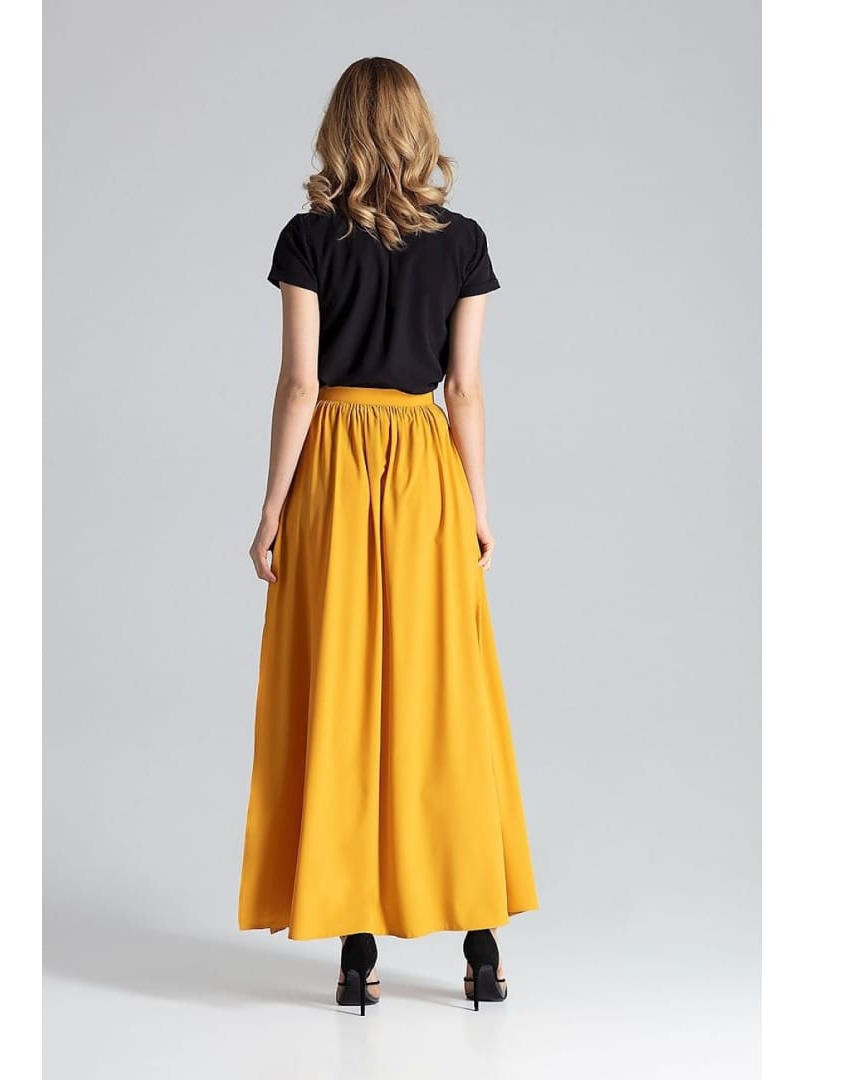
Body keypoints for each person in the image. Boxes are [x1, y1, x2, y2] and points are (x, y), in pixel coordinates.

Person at [237, 56, 538, 1014]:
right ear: (416, 128)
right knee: (445, 696)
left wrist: (272, 507)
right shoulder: (464, 241)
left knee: (342, 689)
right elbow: (466, 388)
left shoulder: (308, 238)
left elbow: (300, 382)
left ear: (340, 129)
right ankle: (481, 950)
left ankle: (356, 953)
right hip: (423, 467)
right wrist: (476, 505)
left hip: (334, 460)